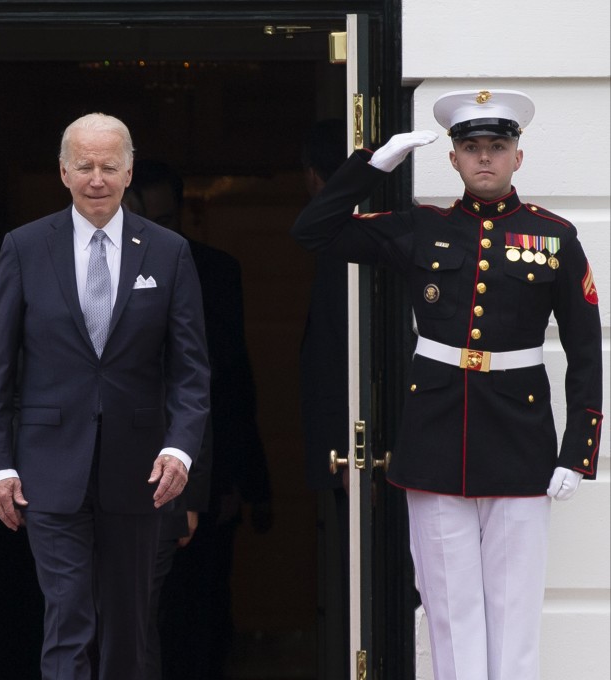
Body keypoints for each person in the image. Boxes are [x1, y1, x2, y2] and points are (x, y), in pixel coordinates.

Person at [292, 89, 602, 680]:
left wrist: (578, 451)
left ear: (518, 156)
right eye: (471, 147)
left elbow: (586, 350)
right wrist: (374, 162)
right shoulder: (419, 228)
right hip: (435, 439)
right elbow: (314, 232)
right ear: (454, 159)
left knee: (514, 619)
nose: (485, 157)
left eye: (497, 146)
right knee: (449, 615)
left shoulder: (554, 236)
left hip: (520, 439)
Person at [0, 113, 210, 680]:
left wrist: (180, 451)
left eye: (109, 166)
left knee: (129, 624)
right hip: (48, 467)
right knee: (68, 616)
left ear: (129, 172)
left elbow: (190, 370)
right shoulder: (26, 247)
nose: (97, 179)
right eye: (85, 166)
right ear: (63, 172)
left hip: (140, 470)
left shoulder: (168, 251)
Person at [124, 160, 272, 680]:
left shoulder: (212, 270)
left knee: (202, 605)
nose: (154, 231)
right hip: (116, 470)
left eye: (165, 219)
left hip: (200, 466)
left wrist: (239, 479)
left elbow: (227, 379)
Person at [295, 119, 351, 680]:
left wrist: (344, 453)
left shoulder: (348, 243)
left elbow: (340, 354)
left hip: (356, 461)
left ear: (314, 178)